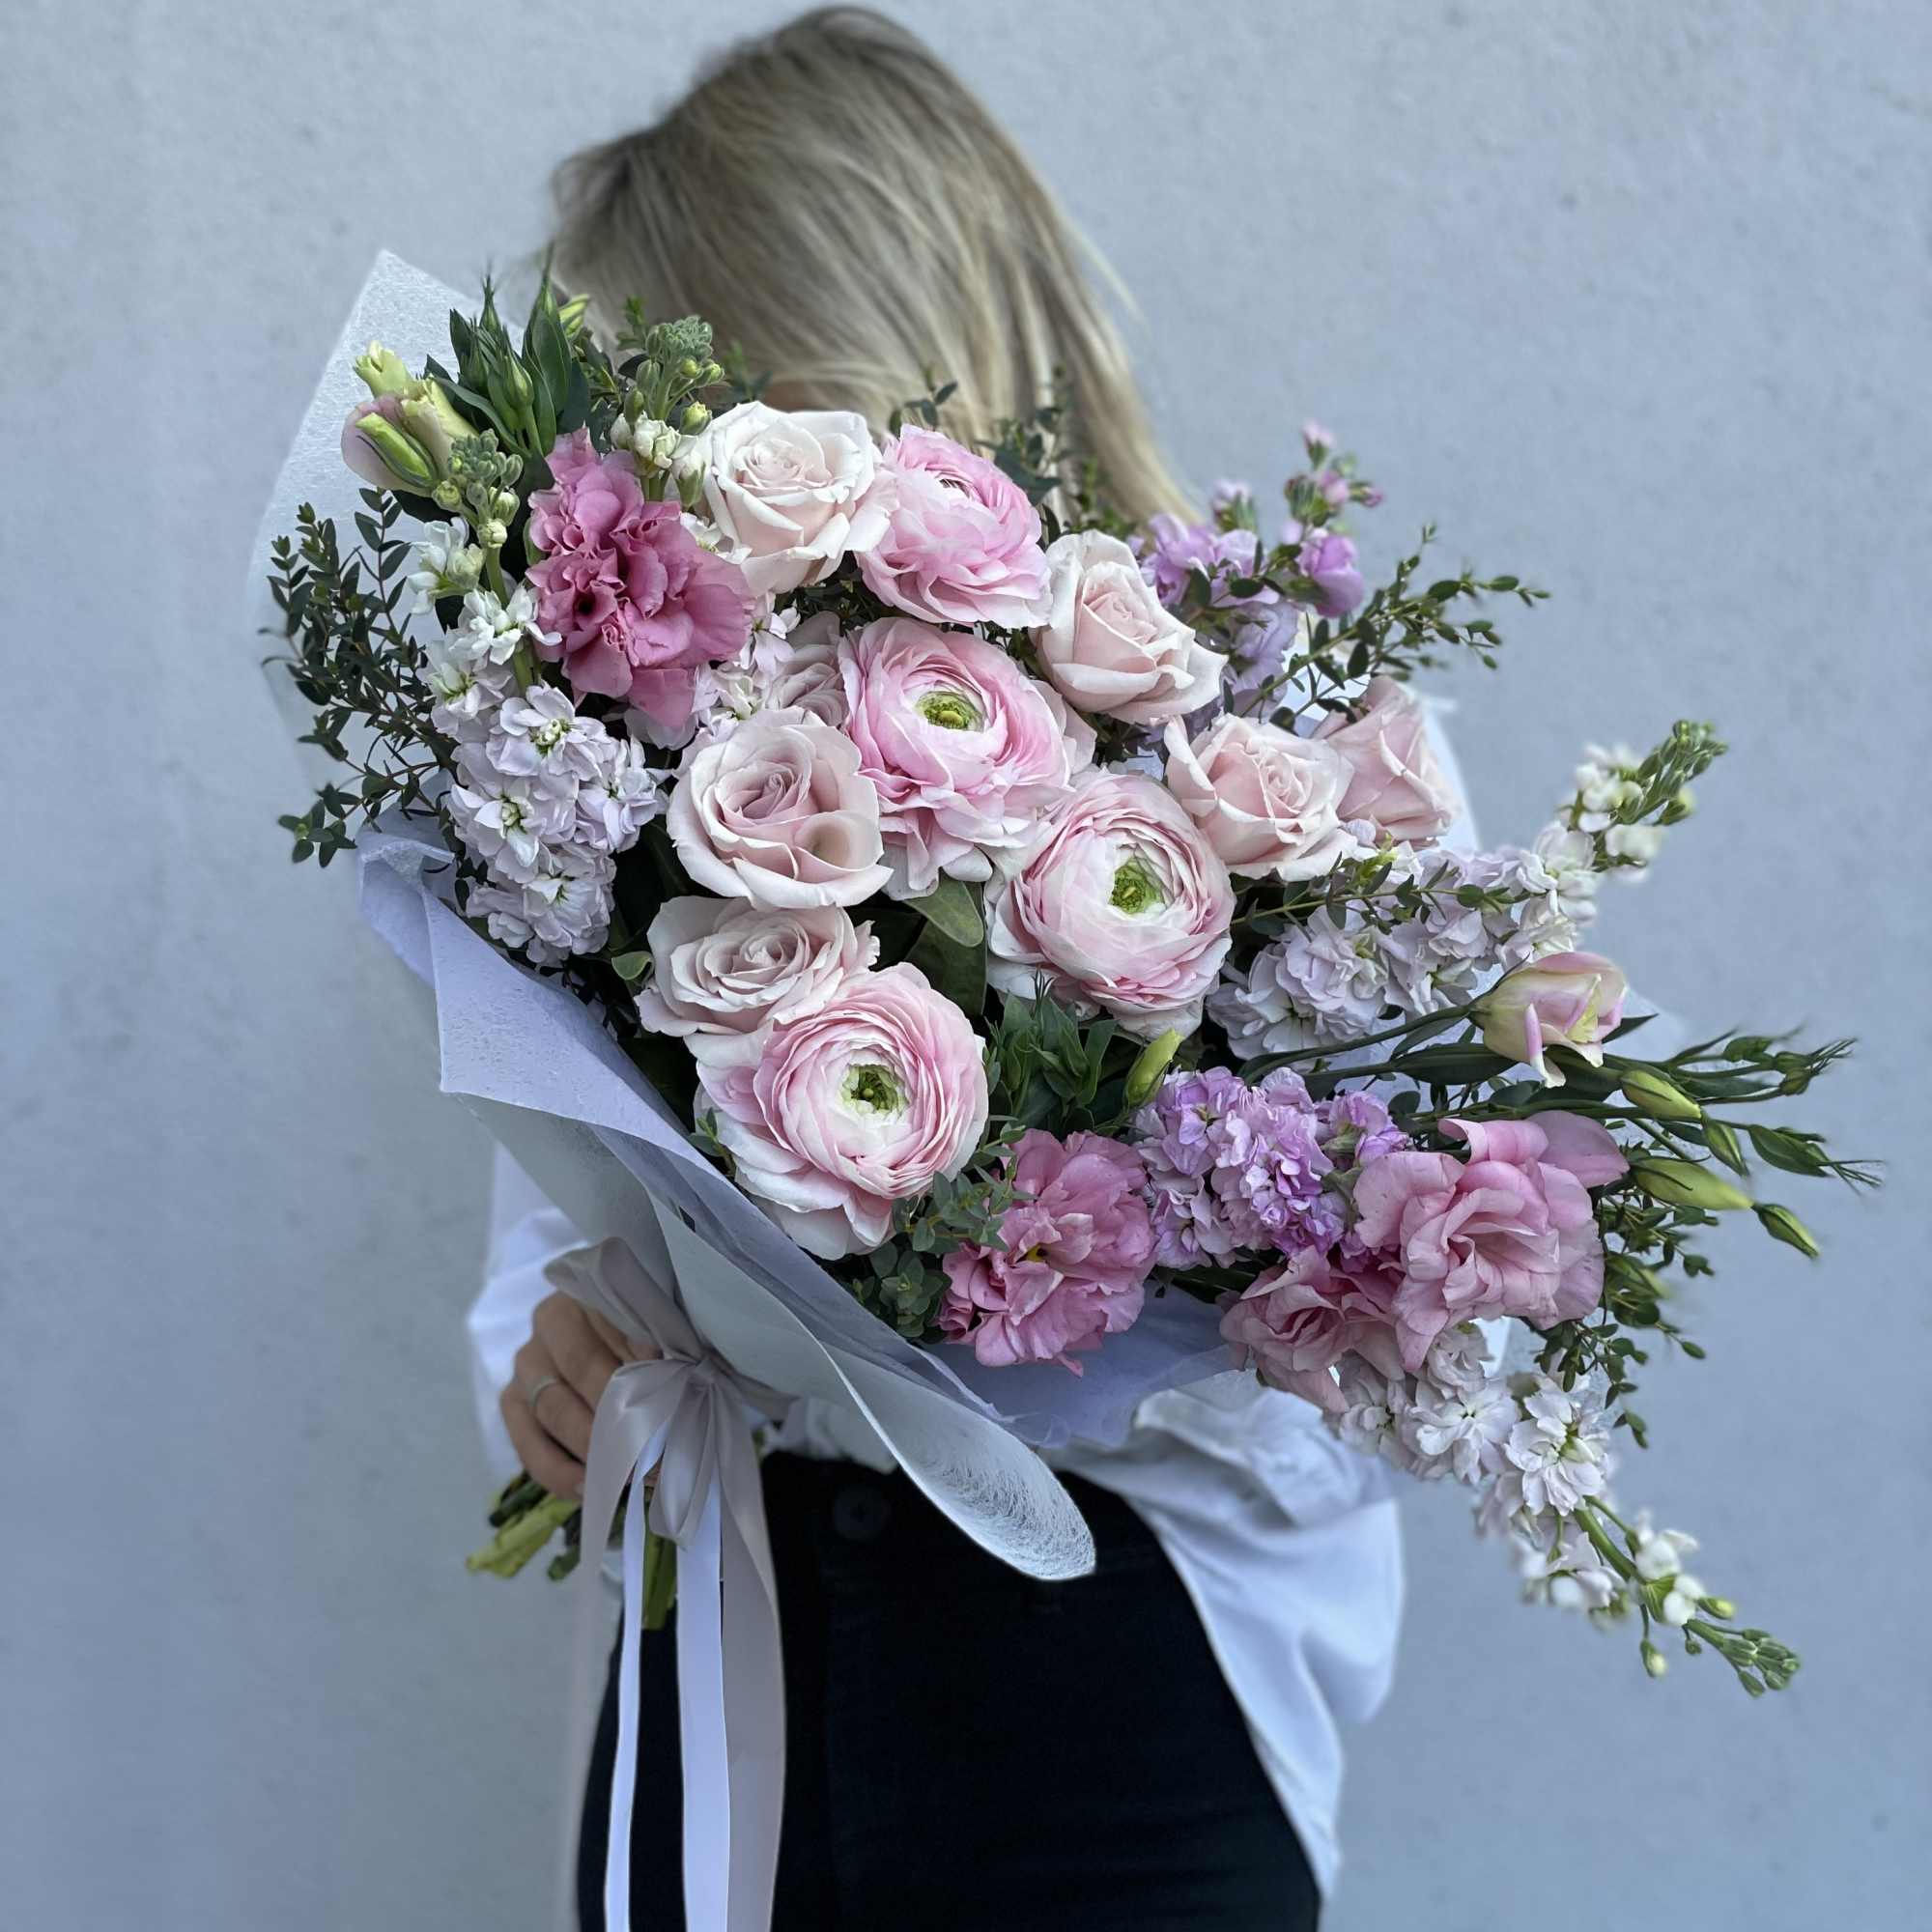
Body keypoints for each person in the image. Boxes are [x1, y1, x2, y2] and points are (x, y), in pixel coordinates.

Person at [472, 11, 1404, 1928]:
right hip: (732, 1653)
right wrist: (553, 1365)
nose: (677, 497)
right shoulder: (651, 772)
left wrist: (1068, 1286)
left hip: (1116, 1704)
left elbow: (1378, 1331)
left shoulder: (1283, 763)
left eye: (712, 424)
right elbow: (545, 1193)